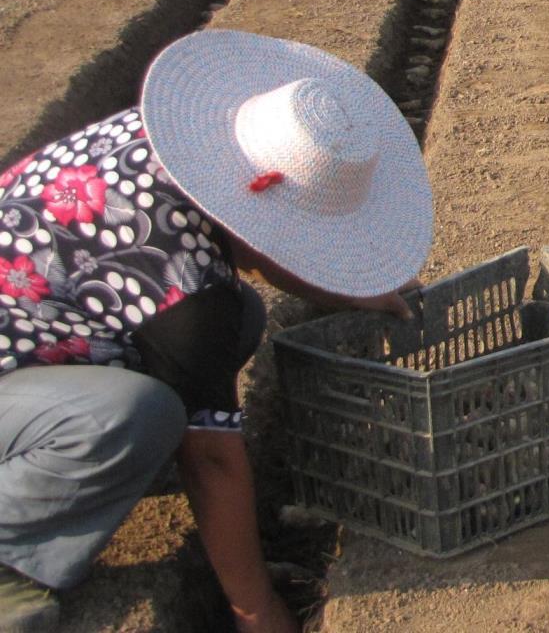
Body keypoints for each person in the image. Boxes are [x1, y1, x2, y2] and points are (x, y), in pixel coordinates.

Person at [0, 31, 433, 633]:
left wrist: (347, 289)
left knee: (241, 317)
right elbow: (214, 461)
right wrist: (256, 608)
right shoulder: (185, 288)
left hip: (31, 351)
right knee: (138, 413)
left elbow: (257, 245)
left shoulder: (166, 146)